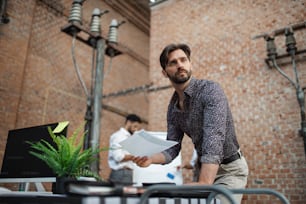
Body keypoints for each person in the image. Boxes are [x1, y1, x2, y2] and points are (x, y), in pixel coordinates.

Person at [132, 43, 249, 203]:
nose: (180, 65)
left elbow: (214, 137)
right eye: (173, 62)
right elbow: (172, 148)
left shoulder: (210, 90)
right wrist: (151, 159)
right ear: (164, 72)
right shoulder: (173, 109)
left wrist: (205, 182)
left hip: (229, 170)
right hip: (202, 170)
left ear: (190, 63)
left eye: (183, 60)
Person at [108, 114, 142, 186]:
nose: (135, 130)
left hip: (127, 173)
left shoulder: (130, 137)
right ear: (129, 122)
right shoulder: (119, 136)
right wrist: (135, 156)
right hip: (121, 173)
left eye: (137, 128)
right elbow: (118, 157)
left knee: (127, 196)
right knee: (121, 196)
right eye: (135, 126)